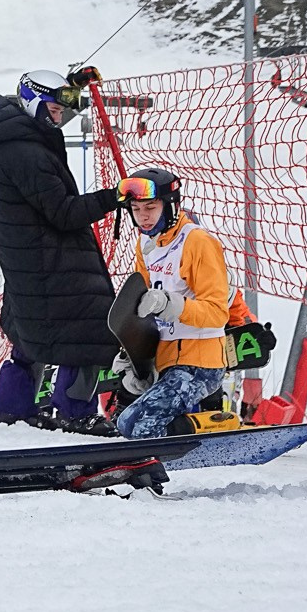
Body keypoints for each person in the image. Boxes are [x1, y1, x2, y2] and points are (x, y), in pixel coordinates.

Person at [0, 69, 123, 431]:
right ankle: (78, 414)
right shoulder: (26, 152)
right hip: (51, 258)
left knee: (33, 333)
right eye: (54, 110)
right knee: (86, 332)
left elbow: (49, 101)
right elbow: (63, 211)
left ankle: (14, 409)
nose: (59, 118)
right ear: (33, 103)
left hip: (30, 258)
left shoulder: (13, 133)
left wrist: (72, 86)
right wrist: (114, 196)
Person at [109, 169, 237, 438]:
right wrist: (134, 359)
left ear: (171, 206)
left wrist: (172, 304)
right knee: (125, 423)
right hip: (168, 361)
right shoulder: (146, 243)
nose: (142, 216)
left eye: (150, 207)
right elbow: (141, 312)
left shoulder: (197, 242)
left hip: (201, 364)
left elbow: (217, 313)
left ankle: (212, 429)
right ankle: (196, 431)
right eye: (135, 208)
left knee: (144, 428)